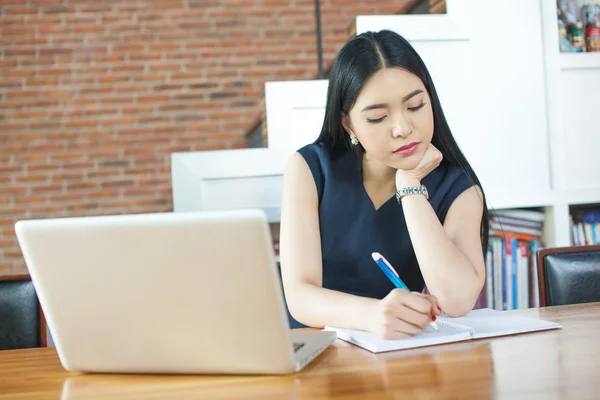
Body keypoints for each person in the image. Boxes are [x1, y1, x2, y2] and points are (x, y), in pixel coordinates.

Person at [279, 30, 489, 340]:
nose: (403, 128)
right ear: (348, 123)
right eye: (378, 117)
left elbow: (457, 300)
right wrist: (373, 315)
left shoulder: (459, 188)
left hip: (396, 354)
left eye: (415, 106)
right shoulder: (311, 169)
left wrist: (409, 185)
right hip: (315, 353)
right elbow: (299, 296)